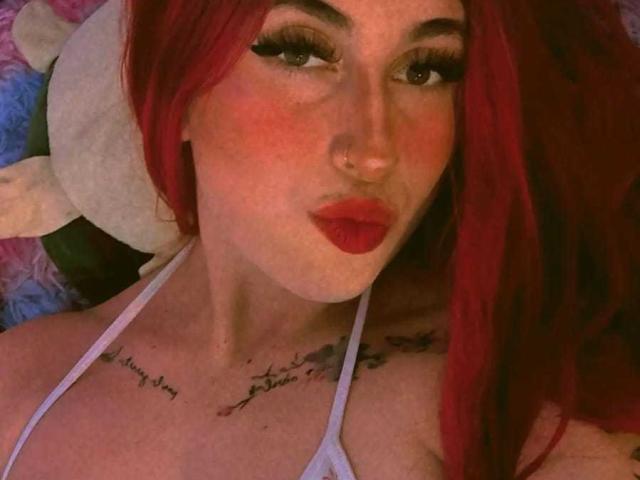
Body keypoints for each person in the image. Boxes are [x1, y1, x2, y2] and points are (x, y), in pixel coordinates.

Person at [1, 0, 639, 478]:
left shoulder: (500, 406)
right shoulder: (21, 380)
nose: (374, 151)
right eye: (301, 51)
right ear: (179, 87)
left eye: (425, 69)